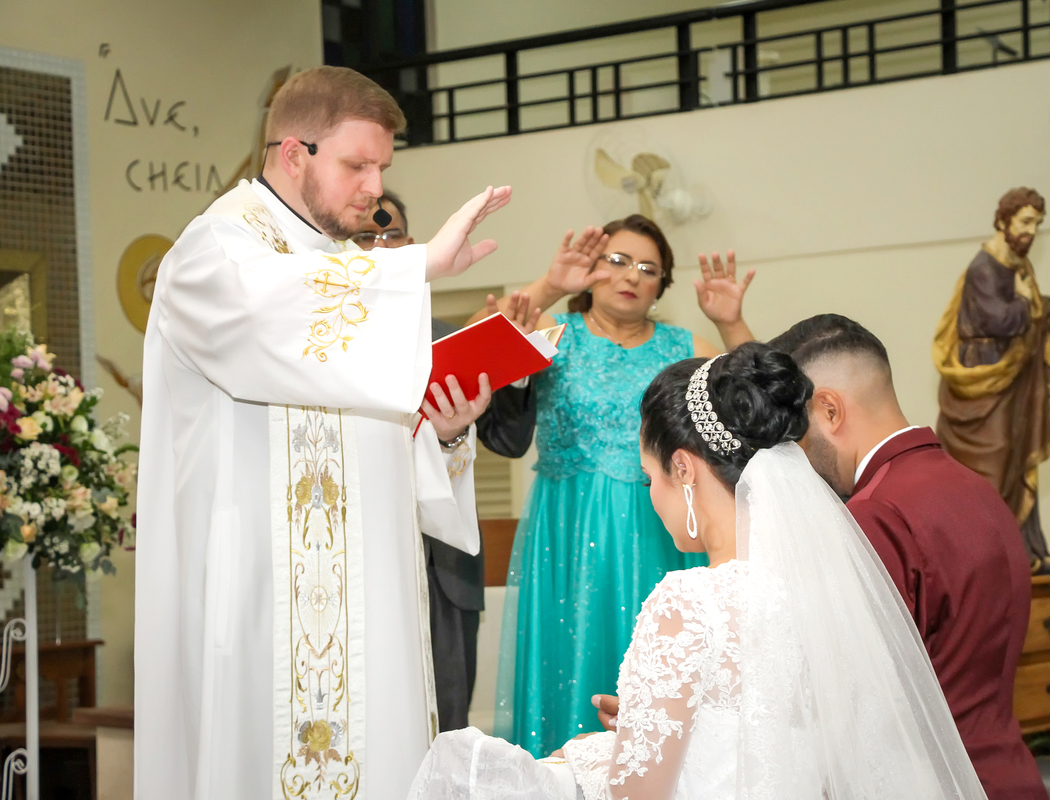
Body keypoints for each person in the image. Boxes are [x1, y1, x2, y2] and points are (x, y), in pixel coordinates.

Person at [135, 66, 511, 799]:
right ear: (292, 153)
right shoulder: (214, 248)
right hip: (256, 599)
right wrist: (418, 266)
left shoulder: (349, 267)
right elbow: (267, 311)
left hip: (369, 606)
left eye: (383, 168)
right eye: (357, 166)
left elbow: (368, 434)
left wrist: (443, 433)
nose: (376, 188)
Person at [407, 344, 989, 800]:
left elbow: (637, 796)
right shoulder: (835, 590)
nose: (651, 496)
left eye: (649, 477)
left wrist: (590, 755)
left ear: (683, 469)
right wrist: (641, 733)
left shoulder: (689, 603)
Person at [478, 217, 754, 756]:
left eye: (648, 268)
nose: (632, 276)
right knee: (566, 653)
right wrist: (549, 284)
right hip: (565, 530)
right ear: (590, 267)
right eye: (618, 261)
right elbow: (473, 344)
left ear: (662, 286)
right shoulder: (553, 332)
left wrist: (731, 323)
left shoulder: (686, 346)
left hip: (661, 530)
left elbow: (756, 400)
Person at [767, 314, 1048, 800]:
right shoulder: (979, 490)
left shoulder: (875, 514)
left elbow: (856, 706)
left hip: (934, 781)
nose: (798, 456)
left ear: (829, 409)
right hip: (1008, 773)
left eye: (796, 433)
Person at [353, 190, 540, 732]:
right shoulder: (322, 346)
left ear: (413, 246)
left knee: (449, 725)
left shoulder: (450, 341)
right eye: (365, 236)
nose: (380, 247)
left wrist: (513, 363)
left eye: (391, 235)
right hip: (363, 560)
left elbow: (508, 441)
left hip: (445, 572)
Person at [933, 187, 1050, 574]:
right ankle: (991, 552)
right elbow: (1000, 319)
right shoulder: (985, 267)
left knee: (1017, 460)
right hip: (985, 378)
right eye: (1026, 222)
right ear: (1003, 221)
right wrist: (1030, 305)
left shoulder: (1018, 265)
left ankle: (1025, 550)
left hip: (1014, 383)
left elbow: (1030, 319)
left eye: (1037, 224)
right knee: (994, 461)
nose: (1031, 231)